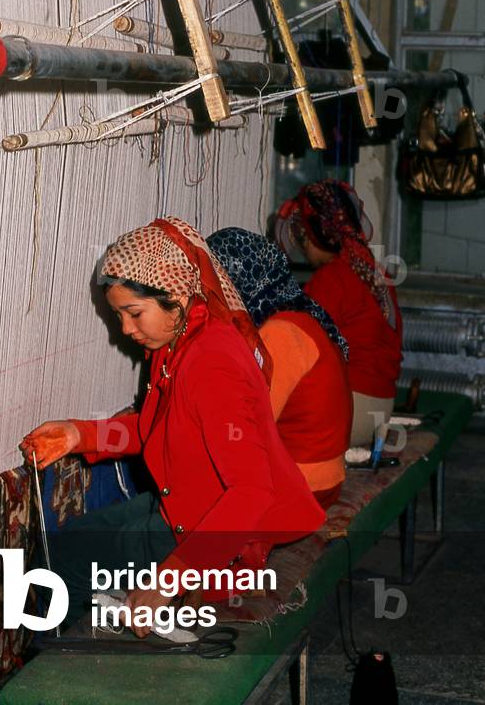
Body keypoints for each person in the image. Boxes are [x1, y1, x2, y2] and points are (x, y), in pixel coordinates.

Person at [20, 217, 325, 633]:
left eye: (134, 313)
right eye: (119, 314)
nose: (125, 329)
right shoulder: (178, 343)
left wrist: (170, 577)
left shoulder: (211, 361)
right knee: (70, 541)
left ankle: (72, 673)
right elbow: (152, 429)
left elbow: (252, 492)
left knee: (59, 564)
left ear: (176, 296)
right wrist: (79, 434)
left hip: (220, 534)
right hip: (185, 503)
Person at [207, 227, 352, 509]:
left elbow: (249, 425)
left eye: (217, 283)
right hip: (319, 478)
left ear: (238, 282)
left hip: (302, 487)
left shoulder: (280, 334)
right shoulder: (299, 314)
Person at [276, 180, 403, 448]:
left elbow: (296, 348)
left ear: (314, 234)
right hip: (381, 409)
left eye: (303, 239)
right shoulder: (376, 272)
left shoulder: (330, 279)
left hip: (350, 412)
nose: (303, 249)